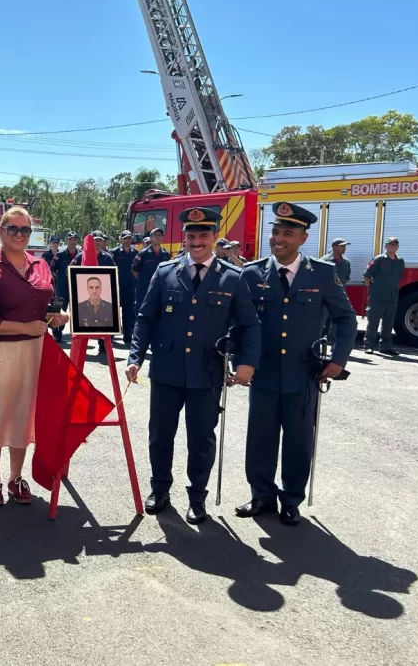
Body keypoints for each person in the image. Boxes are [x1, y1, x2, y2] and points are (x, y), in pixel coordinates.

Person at [126, 207, 260, 524]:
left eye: (203, 236)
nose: (196, 242)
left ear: (215, 238)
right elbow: (145, 318)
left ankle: (196, 497)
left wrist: (246, 363)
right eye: (191, 236)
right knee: (160, 435)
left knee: (201, 439)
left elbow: (250, 326)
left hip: (207, 372)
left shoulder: (233, 278)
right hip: (167, 369)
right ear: (184, 238)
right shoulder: (164, 272)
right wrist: (135, 356)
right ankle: (160, 489)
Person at [235, 201, 356, 527]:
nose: (279, 238)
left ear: (303, 238)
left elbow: (346, 320)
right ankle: (261, 495)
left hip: (304, 374)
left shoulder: (324, 274)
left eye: (288, 233)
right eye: (275, 232)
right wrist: (240, 360)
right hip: (264, 373)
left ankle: (291, 499)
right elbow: (240, 323)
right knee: (260, 437)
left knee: (298, 440)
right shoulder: (251, 274)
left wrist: (338, 359)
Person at [0, 207, 68, 505]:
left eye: (25, 230)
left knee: (24, 416)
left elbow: (48, 304)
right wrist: (23, 325)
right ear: (0, 231)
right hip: (0, 351)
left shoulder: (41, 265)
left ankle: (16, 476)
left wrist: (58, 316)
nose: (19, 235)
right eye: (12, 229)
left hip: (34, 351)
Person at [72, 232, 116, 353]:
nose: (97, 243)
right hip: (84, 294)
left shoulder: (108, 257)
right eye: (95, 240)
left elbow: (114, 274)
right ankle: (81, 346)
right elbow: (69, 272)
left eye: (99, 240)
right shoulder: (80, 256)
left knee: (106, 319)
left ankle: (103, 345)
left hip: (104, 294)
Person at [363, 237, 404, 356]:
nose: (392, 246)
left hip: (392, 297)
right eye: (390, 244)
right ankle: (369, 346)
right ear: (385, 246)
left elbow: (400, 277)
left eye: (395, 244)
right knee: (373, 322)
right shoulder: (379, 259)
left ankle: (385, 347)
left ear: (397, 247)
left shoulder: (400, 261)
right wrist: (374, 288)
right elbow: (367, 276)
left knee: (388, 323)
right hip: (377, 297)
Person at [319, 238, 352, 343]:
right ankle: (317, 341)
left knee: (336, 321)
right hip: (324, 296)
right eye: (342, 246)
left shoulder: (346, 262)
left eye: (345, 246)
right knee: (321, 320)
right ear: (334, 247)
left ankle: (333, 342)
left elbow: (346, 277)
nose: (344, 248)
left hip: (338, 296)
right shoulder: (324, 260)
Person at [132, 227, 171, 311]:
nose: (157, 237)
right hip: (144, 289)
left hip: (160, 289)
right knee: (142, 312)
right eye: (155, 235)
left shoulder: (166, 254)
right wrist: (143, 280)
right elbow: (134, 270)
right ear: (151, 238)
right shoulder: (143, 254)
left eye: (159, 235)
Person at [111, 231, 139, 343]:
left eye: (129, 238)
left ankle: (128, 338)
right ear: (121, 239)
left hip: (131, 288)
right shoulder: (114, 253)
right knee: (113, 314)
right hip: (116, 287)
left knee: (128, 314)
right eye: (125, 238)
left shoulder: (136, 253)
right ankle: (110, 337)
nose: (127, 240)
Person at [52, 232, 79, 341]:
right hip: (62, 289)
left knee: (77, 313)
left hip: (76, 289)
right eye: (70, 239)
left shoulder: (81, 255)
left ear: (77, 241)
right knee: (59, 312)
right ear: (67, 241)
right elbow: (52, 269)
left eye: (74, 239)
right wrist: (62, 278)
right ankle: (57, 334)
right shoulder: (60, 255)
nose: (72, 241)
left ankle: (77, 335)